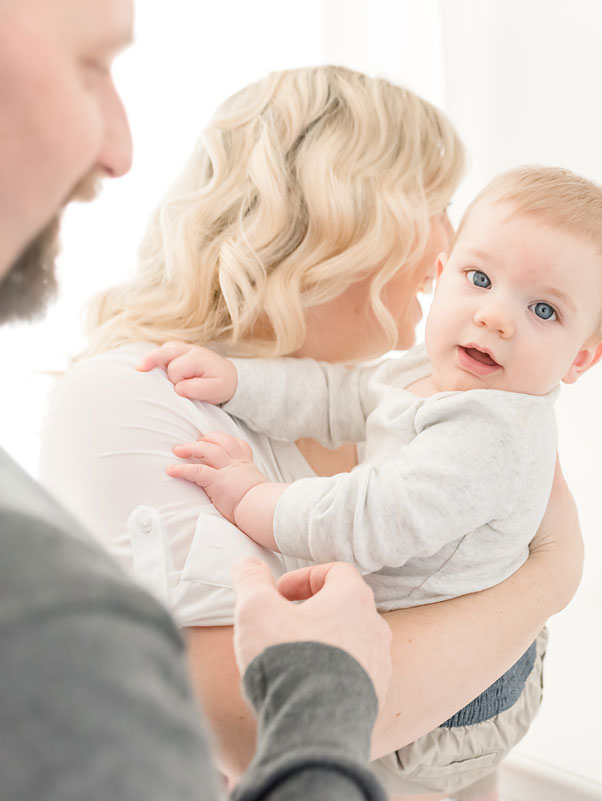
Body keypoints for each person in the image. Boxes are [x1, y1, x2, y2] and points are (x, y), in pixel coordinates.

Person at [39, 66, 585, 800]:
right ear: (349, 214)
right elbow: (266, 722)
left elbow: (456, 725)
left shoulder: (404, 395)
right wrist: (550, 578)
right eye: (435, 204)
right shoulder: (127, 395)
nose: (452, 245)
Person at [0, 1, 401, 799]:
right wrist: (547, 575)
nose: (121, 150)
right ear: (344, 214)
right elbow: (238, 725)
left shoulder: (389, 407)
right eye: (90, 65)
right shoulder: (49, 613)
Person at [135, 164, 602, 797]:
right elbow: (344, 394)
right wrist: (239, 382)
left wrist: (254, 497)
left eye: (543, 309)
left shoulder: (490, 436)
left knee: (410, 778)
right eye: (479, 278)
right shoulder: (432, 369)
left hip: (461, 708)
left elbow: (371, 519)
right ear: (442, 271)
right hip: (454, 631)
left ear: (583, 357)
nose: (495, 317)